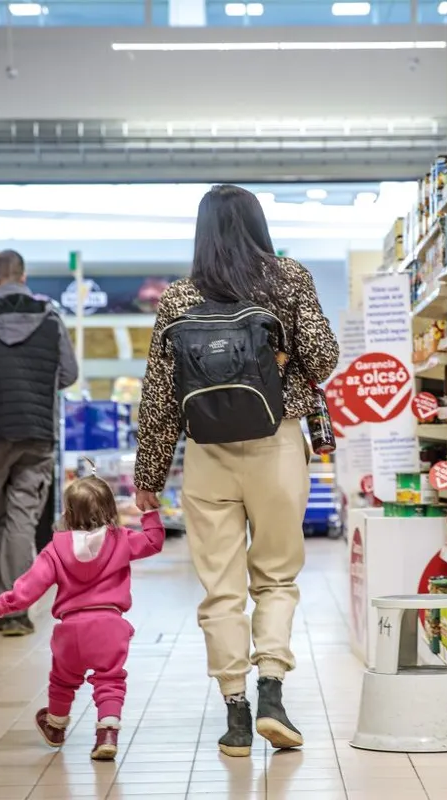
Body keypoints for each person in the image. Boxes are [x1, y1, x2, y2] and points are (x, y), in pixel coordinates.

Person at [134, 185, 339, 758]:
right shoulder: (289, 278)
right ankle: (272, 690)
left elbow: (159, 394)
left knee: (220, 589)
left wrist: (148, 476)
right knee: (275, 576)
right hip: (276, 443)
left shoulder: (178, 296)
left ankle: (237, 714)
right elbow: (323, 358)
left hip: (207, 454)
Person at [0, 473, 166, 761]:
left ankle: (56, 725)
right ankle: (107, 733)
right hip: (110, 627)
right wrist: (150, 512)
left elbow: (31, 586)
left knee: (62, 679)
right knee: (109, 680)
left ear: (67, 513)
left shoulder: (56, 548)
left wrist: (3, 604)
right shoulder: (120, 539)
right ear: (111, 510)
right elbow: (153, 541)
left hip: (70, 629)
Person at [0, 250, 79, 636]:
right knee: (22, 519)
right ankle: (17, 611)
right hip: (38, 433)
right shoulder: (51, 318)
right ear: (23, 277)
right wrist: (38, 389)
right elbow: (69, 374)